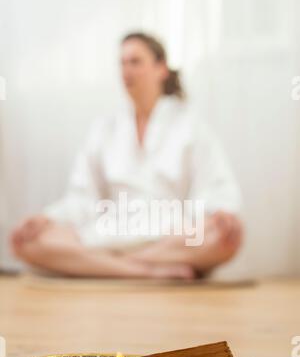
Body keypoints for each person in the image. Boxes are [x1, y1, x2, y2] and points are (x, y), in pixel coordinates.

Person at [10, 32, 243, 280]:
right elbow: (82, 196)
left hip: (170, 236)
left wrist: (221, 211)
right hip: (110, 233)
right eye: (122, 63)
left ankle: (110, 266)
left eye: (135, 62)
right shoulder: (104, 127)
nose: (126, 70)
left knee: (225, 236)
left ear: (161, 69)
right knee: (27, 242)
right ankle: (145, 271)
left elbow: (215, 184)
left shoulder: (189, 124)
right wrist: (47, 218)